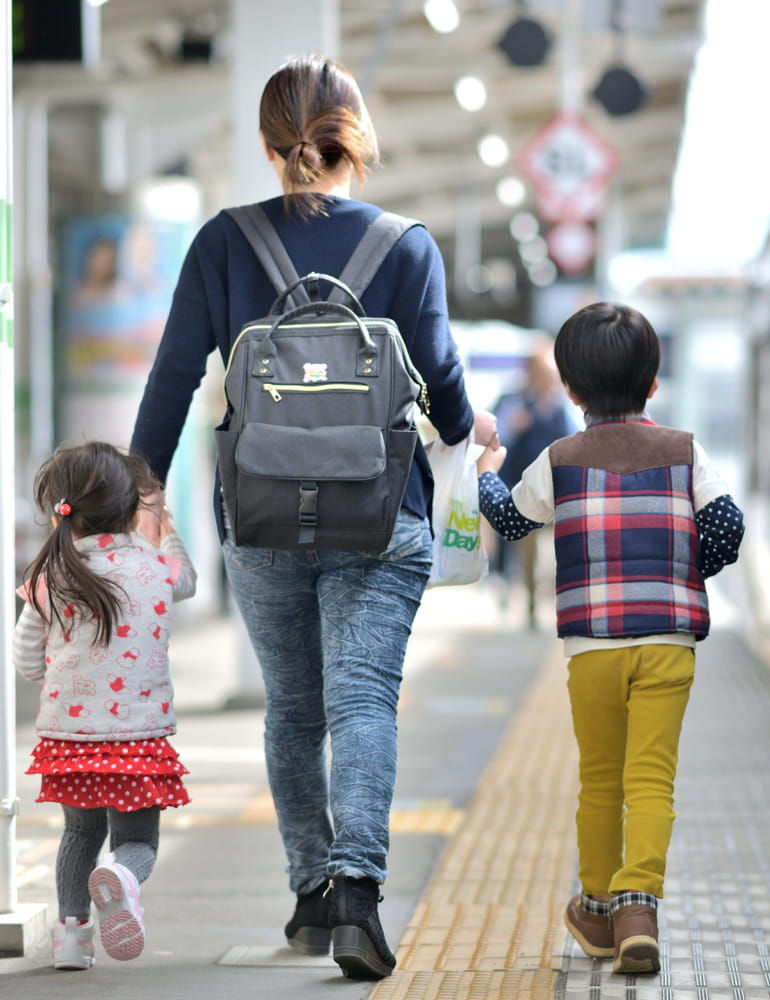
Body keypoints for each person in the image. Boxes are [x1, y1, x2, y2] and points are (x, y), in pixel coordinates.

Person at [129, 56, 498, 980]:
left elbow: (172, 380)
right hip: (380, 517)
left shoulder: (223, 244)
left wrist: (142, 496)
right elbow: (444, 384)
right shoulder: (405, 245)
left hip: (260, 518)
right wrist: (467, 430)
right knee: (363, 700)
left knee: (295, 711)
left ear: (267, 144)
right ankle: (358, 903)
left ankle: (307, 897)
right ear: (357, 141)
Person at [475, 302, 745, 974]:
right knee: (651, 779)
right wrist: (687, 571)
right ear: (653, 384)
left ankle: (596, 909)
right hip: (668, 644)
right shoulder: (684, 451)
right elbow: (728, 528)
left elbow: (509, 523)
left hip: (592, 647)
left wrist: (485, 472)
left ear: (570, 390)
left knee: (600, 780)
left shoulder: (560, 458)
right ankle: (638, 906)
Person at [12, 442, 197, 971]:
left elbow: (27, 660)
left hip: (70, 740)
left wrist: (68, 683)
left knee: (79, 833)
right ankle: (121, 875)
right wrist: (164, 526)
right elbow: (188, 579)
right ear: (130, 507)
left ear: (61, 509)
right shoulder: (156, 568)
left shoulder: (51, 574)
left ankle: (71, 938)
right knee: (136, 841)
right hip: (139, 739)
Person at [489, 342, 581, 625]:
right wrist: (513, 427)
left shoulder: (562, 406)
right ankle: (527, 604)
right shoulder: (512, 402)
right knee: (524, 551)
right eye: (542, 374)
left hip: (557, 493)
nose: (547, 381)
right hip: (521, 491)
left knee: (558, 552)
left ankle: (556, 601)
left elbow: (577, 438)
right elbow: (493, 439)